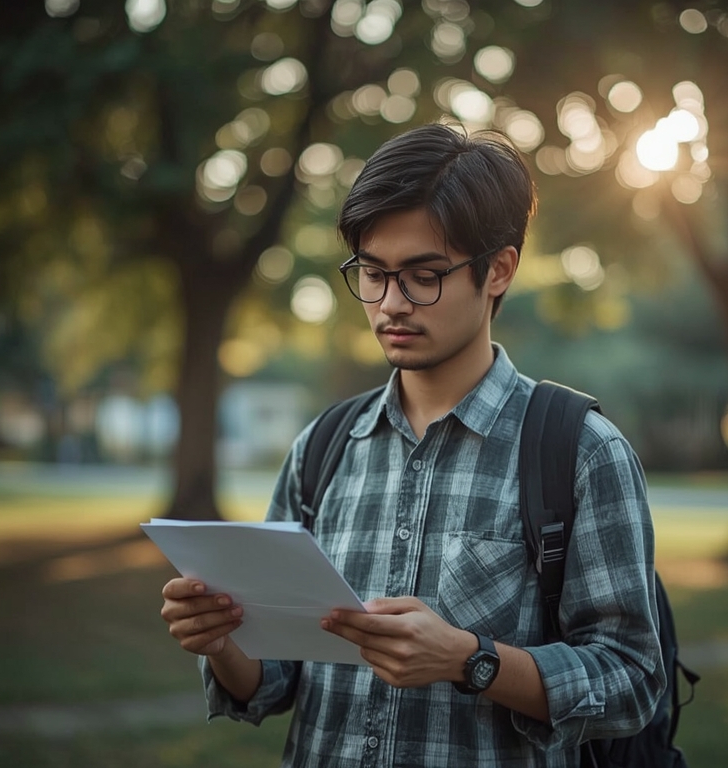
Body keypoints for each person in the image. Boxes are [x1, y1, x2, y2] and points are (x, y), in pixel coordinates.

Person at [160, 122, 665, 767]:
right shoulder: (324, 448)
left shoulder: (581, 452)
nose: (390, 304)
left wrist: (471, 661)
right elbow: (276, 682)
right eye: (372, 274)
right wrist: (223, 642)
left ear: (499, 271)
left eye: (423, 276)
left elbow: (632, 681)